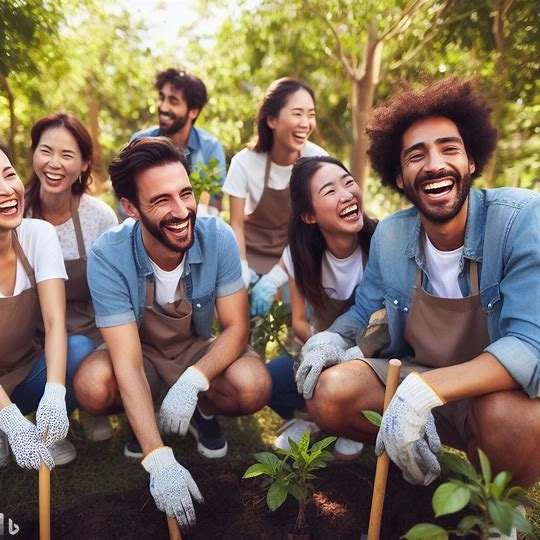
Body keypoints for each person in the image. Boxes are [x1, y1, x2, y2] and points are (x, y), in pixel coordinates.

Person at [295, 76, 540, 520]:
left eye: (449, 149)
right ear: (399, 176)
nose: (434, 164)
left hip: (492, 392)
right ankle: (426, 477)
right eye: (416, 155)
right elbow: (367, 309)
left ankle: (497, 513)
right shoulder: (391, 235)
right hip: (419, 372)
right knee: (330, 392)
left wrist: (423, 393)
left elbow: (530, 346)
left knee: (518, 423)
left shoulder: (520, 219)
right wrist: (330, 339)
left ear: (471, 162)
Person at [73, 137, 271, 532]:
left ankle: (202, 409)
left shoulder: (218, 237)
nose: (182, 211)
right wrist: (158, 458)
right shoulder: (107, 255)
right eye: (161, 200)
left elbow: (236, 328)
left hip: (195, 349)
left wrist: (194, 381)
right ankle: (143, 422)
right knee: (93, 385)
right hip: (141, 356)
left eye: (186, 193)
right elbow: (126, 360)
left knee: (254, 384)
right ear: (130, 208)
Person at [266, 156, 377, 460]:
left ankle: (354, 424)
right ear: (309, 216)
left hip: (374, 356)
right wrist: (318, 345)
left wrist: (348, 357)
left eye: (348, 182)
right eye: (329, 191)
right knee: (272, 380)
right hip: (325, 349)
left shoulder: (381, 244)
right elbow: (299, 321)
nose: (346, 194)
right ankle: (313, 420)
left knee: (342, 392)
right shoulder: (300, 257)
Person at [25, 112, 118, 444]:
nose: (54, 163)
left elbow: (114, 292)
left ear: (83, 164)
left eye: (67, 155)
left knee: (80, 348)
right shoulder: (15, 212)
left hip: (90, 334)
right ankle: (52, 420)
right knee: (67, 345)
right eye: (46, 150)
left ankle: (86, 405)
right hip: (32, 338)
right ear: (33, 153)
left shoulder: (99, 217)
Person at [0, 143, 94, 469]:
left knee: (79, 348)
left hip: (26, 372)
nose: (6, 190)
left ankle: (47, 431)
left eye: (8, 174)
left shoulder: (38, 235)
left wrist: (54, 393)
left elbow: (55, 323)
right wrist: (10, 419)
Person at [222, 77, 327, 317]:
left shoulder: (317, 161)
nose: (306, 123)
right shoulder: (244, 162)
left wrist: (276, 277)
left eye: (310, 114)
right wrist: (242, 269)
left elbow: (315, 229)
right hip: (251, 253)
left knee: (302, 322)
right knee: (246, 327)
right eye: (297, 113)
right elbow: (236, 223)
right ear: (271, 120)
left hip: (295, 253)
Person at [131, 67, 226, 211]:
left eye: (173, 101)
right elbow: (126, 196)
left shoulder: (210, 148)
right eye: (161, 97)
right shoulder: (140, 141)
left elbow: (214, 204)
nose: (163, 107)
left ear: (193, 111)